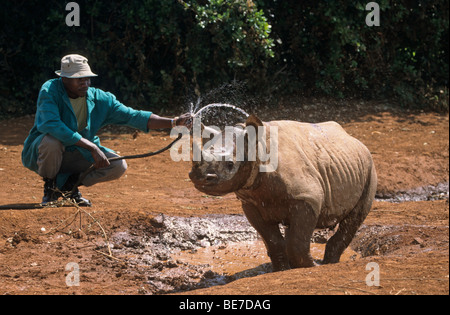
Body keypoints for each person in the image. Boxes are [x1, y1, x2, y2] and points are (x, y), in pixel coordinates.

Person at [22, 54, 192, 206]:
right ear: (64, 78)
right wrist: (92, 147)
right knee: (52, 141)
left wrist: (174, 122)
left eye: (87, 78)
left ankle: (70, 186)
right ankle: (50, 188)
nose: (85, 83)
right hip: (46, 153)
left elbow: (133, 116)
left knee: (118, 165)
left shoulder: (100, 98)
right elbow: (52, 125)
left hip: (78, 153)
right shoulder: (50, 90)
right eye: (78, 79)